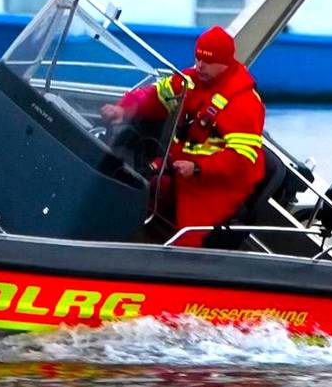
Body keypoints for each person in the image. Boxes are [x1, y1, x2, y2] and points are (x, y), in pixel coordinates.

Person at [101, 26, 265, 247]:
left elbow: (242, 160)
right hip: (178, 167)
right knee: (134, 188)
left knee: (187, 238)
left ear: (225, 62)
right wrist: (123, 109)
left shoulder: (245, 104)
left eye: (207, 61)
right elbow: (157, 95)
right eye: (197, 58)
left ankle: (172, 271)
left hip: (215, 185)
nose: (199, 66)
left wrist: (198, 168)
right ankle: (115, 241)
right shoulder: (190, 80)